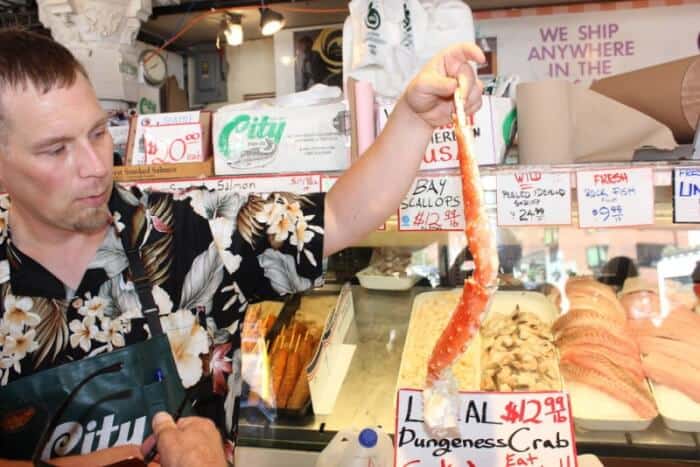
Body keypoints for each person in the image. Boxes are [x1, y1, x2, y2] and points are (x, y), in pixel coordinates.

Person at [0, 28, 483, 465]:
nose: (95, 166)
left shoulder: (187, 232)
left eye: (99, 132)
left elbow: (337, 216)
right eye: (56, 149)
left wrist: (414, 120)